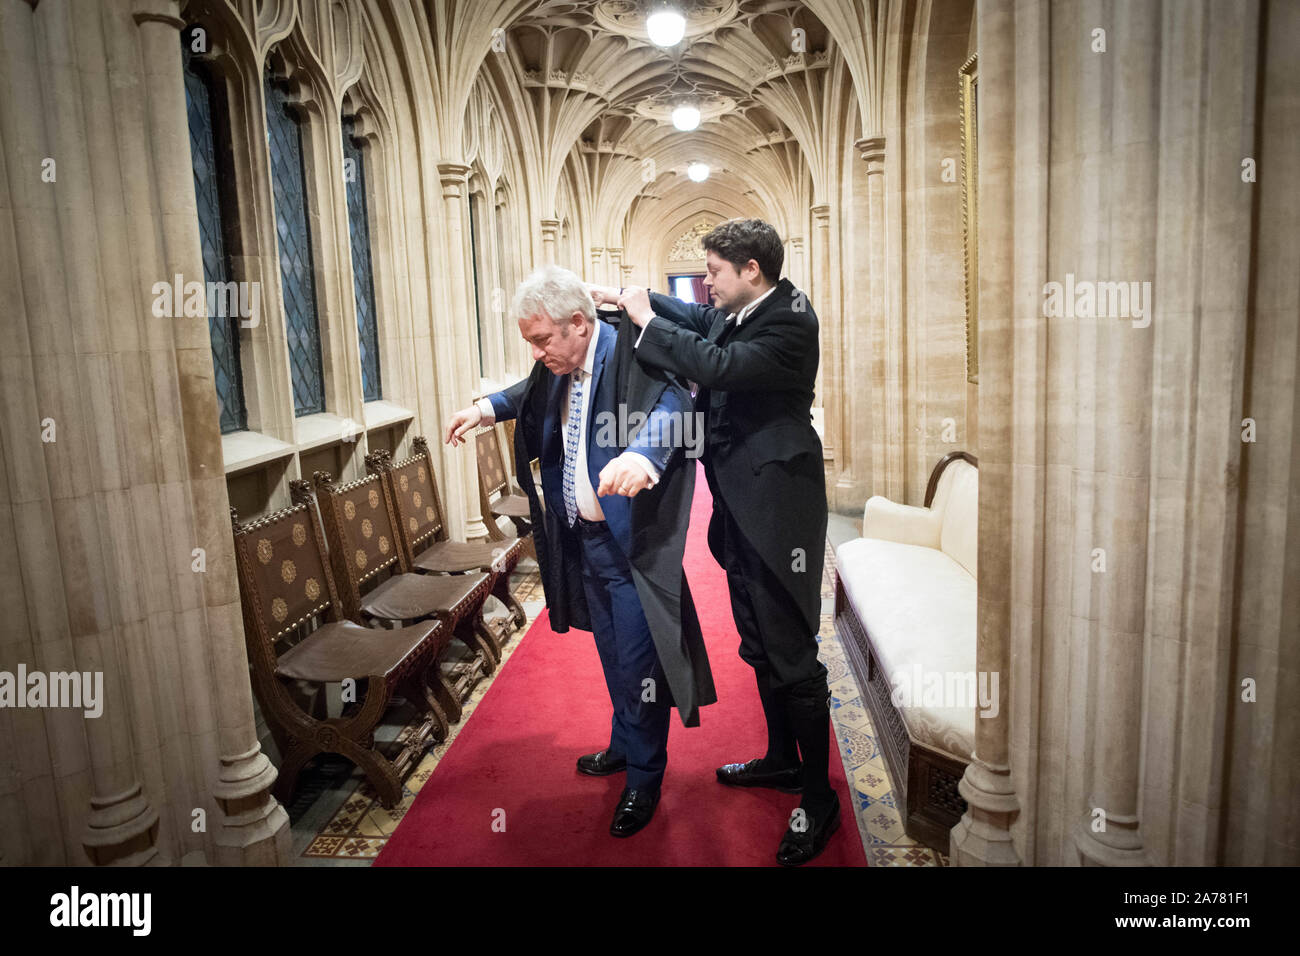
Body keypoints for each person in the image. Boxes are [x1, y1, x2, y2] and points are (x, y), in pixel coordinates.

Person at [589, 218, 837, 866]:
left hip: (779, 510)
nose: (706, 283)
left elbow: (715, 363)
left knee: (793, 654)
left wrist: (644, 321)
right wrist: (624, 297)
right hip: (738, 507)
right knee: (758, 642)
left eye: (714, 273)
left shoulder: (791, 319)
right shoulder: (739, 310)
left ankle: (820, 796)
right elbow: (696, 324)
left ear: (750, 268)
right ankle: (782, 760)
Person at [445, 265, 715, 839]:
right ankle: (624, 744)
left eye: (542, 340)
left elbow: (674, 404)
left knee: (642, 661)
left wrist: (643, 456)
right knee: (613, 653)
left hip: (631, 547)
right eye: (531, 343)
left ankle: (644, 779)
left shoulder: (631, 350)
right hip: (583, 540)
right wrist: (487, 408)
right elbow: (529, 392)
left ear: (578, 323)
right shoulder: (557, 364)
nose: (538, 352)